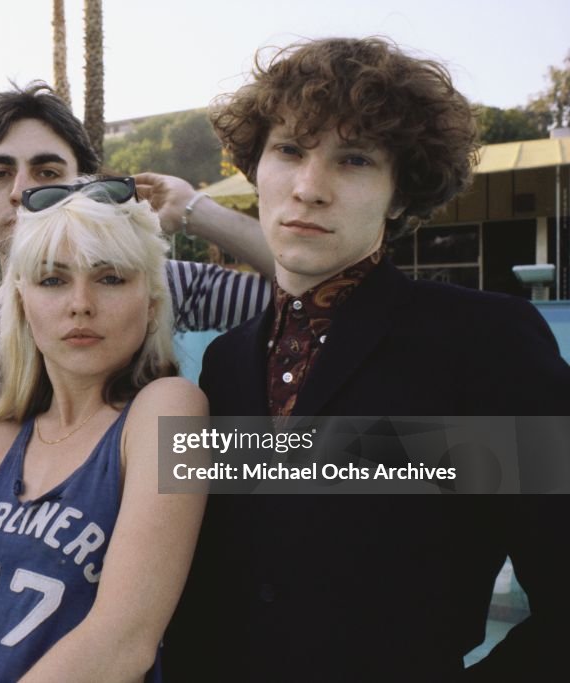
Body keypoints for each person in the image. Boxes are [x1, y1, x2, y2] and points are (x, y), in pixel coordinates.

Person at [164, 37, 570, 682]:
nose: (309, 187)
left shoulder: (483, 342)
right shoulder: (225, 363)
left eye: (353, 159)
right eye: (289, 150)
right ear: (256, 166)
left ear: (400, 194)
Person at [0, 179, 208, 682]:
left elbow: (124, 642)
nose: (80, 303)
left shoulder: (165, 413)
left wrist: (199, 208)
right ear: (21, 301)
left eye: (110, 278)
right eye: (53, 280)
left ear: (150, 301)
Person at [0, 83, 274, 404]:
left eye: (47, 172)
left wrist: (195, 210)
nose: (21, 192)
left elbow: (309, 296)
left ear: (88, 189)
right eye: (0, 173)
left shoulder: (151, 283)